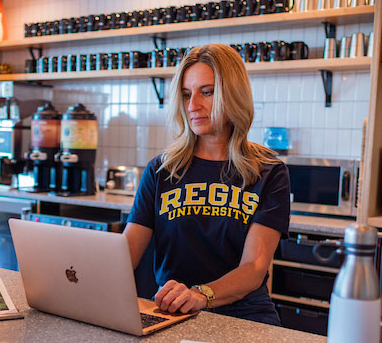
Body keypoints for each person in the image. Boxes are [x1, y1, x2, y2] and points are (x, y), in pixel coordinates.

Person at [124, 44, 290, 326]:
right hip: (172, 314)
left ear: (233, 94)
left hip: (245, 317)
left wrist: (201, 295)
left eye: (207, 92)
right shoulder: (162, 170)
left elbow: (254, 267)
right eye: (186, 94)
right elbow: (124, 253)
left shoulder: (268, 172)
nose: (193, 106)